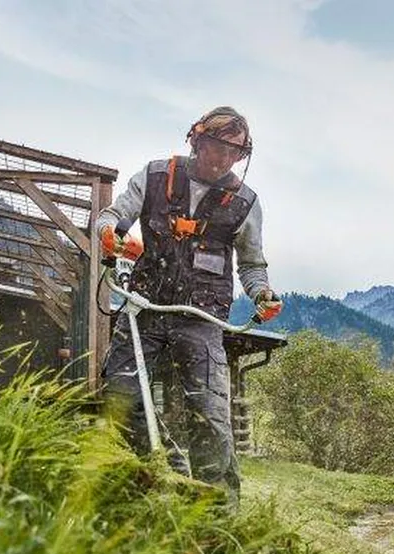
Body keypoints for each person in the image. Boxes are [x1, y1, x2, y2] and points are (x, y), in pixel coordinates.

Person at [95, 106, 281, 506]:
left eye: (234, 153)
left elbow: (251, 265)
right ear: (196, 140)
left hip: (202, 319)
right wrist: (108, 233)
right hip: (145, 307)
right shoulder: (156, 175)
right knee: (121, 395)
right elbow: (112, 216)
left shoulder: (244, 202)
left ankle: (219, 515)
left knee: (212, 416)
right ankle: (135, 491)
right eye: (216, 147)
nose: (223, 159)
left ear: (242, 157)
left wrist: (262, 295)